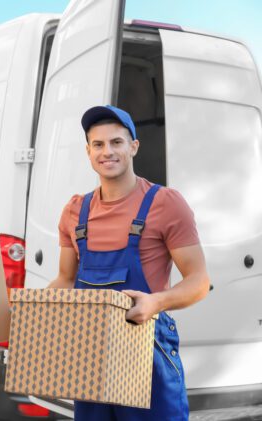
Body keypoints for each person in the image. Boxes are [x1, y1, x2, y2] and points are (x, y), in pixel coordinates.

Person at [49, 105, 210, 420]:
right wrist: (29, 309)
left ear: (133, 146)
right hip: (91, 358)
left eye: (116, 142)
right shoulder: (74, 211)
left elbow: (199, 281)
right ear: (88, 151)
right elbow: (65, 281)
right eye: (98, 144)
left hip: (147, 352)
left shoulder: (165, 203)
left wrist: (155, 302)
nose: (107, 151)